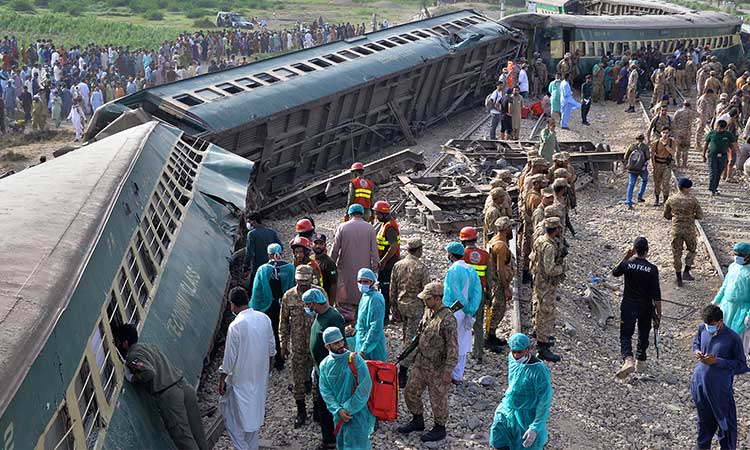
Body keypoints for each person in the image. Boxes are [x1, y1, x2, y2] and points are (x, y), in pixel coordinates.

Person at [113, 324, 208, 450]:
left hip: (169, 395)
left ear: (125, 343)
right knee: (197, 431)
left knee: (183, 437)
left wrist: (133, 378)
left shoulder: (132, 356)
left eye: (118, 341)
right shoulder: (151, 347)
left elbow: (149, 372)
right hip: (184, 386)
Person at [398, 281, 458, 443]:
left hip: (437, 367)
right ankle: (417, 420)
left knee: (438, 399)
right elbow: (420, 334)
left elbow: (453, 347)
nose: (424, 301)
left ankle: (440, 428)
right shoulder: (428, 312)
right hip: (421, 362)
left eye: (428, 298)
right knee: (410, 392)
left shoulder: (447, 319)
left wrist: (448, 371)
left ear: (438, 299)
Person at [219, 287, 276, 450]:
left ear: (232, 305)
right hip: (259, 379)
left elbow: (229, 358)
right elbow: (272, 348)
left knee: (234, 422)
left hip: (240, 381)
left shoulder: (236, 325)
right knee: (252, 423)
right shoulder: (264, 318)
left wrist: (222, 378)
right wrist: (267, 370)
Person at [691, 304, 749, 450]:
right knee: (704, 423)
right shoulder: (702, 329)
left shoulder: (732, 338)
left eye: (712, 325)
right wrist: (697, 351)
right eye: (706, 325)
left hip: (720, 389)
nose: (708, 328)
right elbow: (696, 343)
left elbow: (741, 365)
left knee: (726, 425)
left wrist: (717, 361)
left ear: (720, 321)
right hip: (700, 384)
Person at [489, 333, 552, 450]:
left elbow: (544, 400)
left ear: (528, 349)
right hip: (508, 408)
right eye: (513, 351)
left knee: (525, 444)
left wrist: (535, 427)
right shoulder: (511, 358)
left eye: (519, 352)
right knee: (499, 438)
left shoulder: (539, 370)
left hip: (526, 415)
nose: (516, 355)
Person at [611, 237, 662, 378]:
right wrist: (659, 313)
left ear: (634, 250)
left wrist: (626, 256)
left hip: (628, 305)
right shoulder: (652, 269)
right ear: (647, 251)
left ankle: (628, 359)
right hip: (646, 307)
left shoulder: (627, 264)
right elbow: (656, 293)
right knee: (643, 333)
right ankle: (641, 360)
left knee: (626, 334)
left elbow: (615, 272)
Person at [318, 326, 375, 450]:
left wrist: (348, 408)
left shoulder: (355, 360)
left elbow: (365, 386)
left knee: (359, 445)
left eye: (341, 341)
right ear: (327, 346)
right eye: (335, 343)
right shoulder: (324, 365)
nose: (340, 345)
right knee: (342, 444)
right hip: (339, 415)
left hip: (357, 413)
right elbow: (325, 391)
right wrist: (338, 410)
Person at [280, 265, 322, 428]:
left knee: (317, 378)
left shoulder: (319, 293)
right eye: (299, 281)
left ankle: (317, 408)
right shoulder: (288, 296)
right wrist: (284, 345)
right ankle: (301, 410)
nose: (303, 284)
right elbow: (283, 322)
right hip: (297, 346)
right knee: (298, 379)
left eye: (305, 281)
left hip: (316, 344)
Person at [306, 288, 346, 450]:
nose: (306, 307)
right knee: (322, 407)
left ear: (315, 302)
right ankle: (328, 438)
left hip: (330, 371)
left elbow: (340, 346)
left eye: (308, 304)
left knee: (328, 407)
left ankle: (331, 441)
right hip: (319, 369)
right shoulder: (319, 316)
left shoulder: (333, 317)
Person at [390, 238, 430, 386]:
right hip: (416, 307)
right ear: (419, 250)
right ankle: (403, 370)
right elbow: (427, 290)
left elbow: (392, 288)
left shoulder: (398, 265)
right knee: (412, 339)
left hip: (401, 305)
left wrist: (393, 307)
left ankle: (408, 360)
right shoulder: (421, 267)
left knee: (406, 334)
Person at [330, 204, 379, 322]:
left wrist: (331, 264)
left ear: (350, 214)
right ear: (362, 213)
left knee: (345, 296)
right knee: (361, 295)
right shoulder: (370, 228)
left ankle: (346, 325)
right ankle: (359, 321)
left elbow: (335, 249)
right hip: (364, 269)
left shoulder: (342, 227)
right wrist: (376, 265)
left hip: (345, 269)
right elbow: (374, 251)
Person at [250, 243, 295, 370]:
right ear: (281, 252)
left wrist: (254, 307)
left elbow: (257, 291)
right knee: (281, 331)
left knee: (267, 332)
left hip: (267, 306)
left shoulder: (262, 270)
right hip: (283, 304)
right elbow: (292, 288)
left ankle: (267, 359)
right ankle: (280, 360)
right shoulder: (290, 268)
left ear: (268, 254)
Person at [443, 241, 482, 383]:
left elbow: (452, 291)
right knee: (464, 341)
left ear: (451, 255)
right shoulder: (472, 270)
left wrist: (463, 306)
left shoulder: (453, 270)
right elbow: (477, 293)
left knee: (450, 341)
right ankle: (458, 375)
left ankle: (448, 372)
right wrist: (470, 310)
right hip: (468, 313)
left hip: (454, 310)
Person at [529, 217, 566, 362]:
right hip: (546, 284)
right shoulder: (549, 246)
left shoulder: (540, 240)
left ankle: (539, 334)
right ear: (555, 229)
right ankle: (543, 346)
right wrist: (563, 268)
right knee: (546, 312)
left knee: (539, 308)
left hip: (539, 281)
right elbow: (550, 269)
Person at [459, 226, 493, 360]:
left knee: (461, 322)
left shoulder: (460, 255)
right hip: (479, 294)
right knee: (478, 324)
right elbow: (489, 277)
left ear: (462, 241)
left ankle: (461, 351)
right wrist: (489, 293)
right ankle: (478, 352)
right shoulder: (485, 255)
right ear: (475, 239)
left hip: (464, 294)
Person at [663, 178, 703, 286]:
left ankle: (678, 277)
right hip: (689, 230)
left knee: (676, 253)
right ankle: (686, 271)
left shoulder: (671, 199)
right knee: (692, 250)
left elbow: (666, 215)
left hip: (676, 229)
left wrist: (676, 217)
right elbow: (700, 215)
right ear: (686, 188)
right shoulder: (693, 200)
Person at [713, 242, 750, 355]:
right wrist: (716, 301)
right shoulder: (733, 266)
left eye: (740, 255)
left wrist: (749, 314)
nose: (737, 257)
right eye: (735, 254)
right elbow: (725, 286)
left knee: (739, 340)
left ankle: (737, 367)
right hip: (727, 306)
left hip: (742, 310)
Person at [486, 216, 514, 345]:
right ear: (505, 229)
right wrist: (506, 287)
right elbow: (500, 269)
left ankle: (491, 334)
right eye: (510, 227)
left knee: (495, 307)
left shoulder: (494, 240)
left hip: (493, 281)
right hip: (498, 283)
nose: (511, 230)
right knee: (498, 308)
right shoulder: (501, 246)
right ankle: (490, 336)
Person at [349, 268, 387, 361]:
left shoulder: (376, 299)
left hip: (372, 344)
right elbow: (362, 317)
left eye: (366, 282)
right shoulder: (365, 296)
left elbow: (375, 327)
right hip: (362, 338)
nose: (362, 284)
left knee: (373, 371)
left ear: (372, 282)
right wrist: (357, 328)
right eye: (360, 281)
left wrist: (365, 349)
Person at [373, 200, 400, 324]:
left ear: (382, 214)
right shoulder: (385, 224)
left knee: (386, 290)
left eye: (377, 214)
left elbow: (393, 246)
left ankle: (385, 318)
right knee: (384, 289)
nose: (375, 216)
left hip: (389, 264)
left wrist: (383, 261)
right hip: (386, 263)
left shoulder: (389, 227)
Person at [242, 212, 281, 283]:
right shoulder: (271, 232)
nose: (248, 224)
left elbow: (249, 253)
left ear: (253, 221)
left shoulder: (251, 234)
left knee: (255, 288)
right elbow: (280, 247)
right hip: (272, 266)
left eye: (248, 221)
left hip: (257, 267)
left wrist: (245, 268)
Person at [703, 119, 738, 196]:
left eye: (722, 128)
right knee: (713, 172)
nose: (720, 129)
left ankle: (715, 188)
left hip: (722, 156)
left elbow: (734, 143)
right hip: (712, 155)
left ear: (725, 128)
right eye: (719, 128)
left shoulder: (728, 134)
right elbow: (706, 144)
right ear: (717, 126)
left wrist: (739, 153)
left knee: (719, 172)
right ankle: (711, 189)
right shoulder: (712, 133)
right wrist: (703, 155)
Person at [650, 126, 675, 206]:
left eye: (667, 133)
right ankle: (657, 198)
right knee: (657, 183)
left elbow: (672, 152)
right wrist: (653, 165)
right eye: (663, 132)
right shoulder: (655, 143)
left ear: (669, 133)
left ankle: (665, 200)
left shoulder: (671, 142)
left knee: (666, 183)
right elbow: (652, 155)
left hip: (667, 165)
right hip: (658, 165)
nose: (665, 134)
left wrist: (665, 145)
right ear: (660, 133)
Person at [313, 233, 338, 305]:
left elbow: (333, 284)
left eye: (321, 243)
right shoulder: (310, 259)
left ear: (325, 245)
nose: (318, 246)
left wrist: (330, 304)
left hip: (323, 300)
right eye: (316, 243)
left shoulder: (329, 263)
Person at [672, 100, 699, 167]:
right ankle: (684, 164)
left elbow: (673, 122)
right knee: (685, 150)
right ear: (689, 105)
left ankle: (678, 163)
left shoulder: (678, 112)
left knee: (678, 149)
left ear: (683, 104)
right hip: (687, 133)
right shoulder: (691, 113)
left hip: (678, 132)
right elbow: (698, 115)